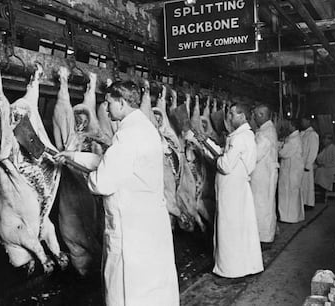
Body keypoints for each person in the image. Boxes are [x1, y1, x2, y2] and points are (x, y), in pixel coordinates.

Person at [55, 81, 179, 306]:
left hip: (130, 229)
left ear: (121, 103)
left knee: (125, 290)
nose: (105, 106)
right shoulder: (145, 128)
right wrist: (73, 157)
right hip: (147, 225)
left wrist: (87, 177)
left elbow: (102, 183)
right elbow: (114, 163)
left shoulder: (128, 136)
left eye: (109, 102)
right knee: (152, 289)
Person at [206, 103, 263, 279]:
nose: (228, 117)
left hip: (232, 191)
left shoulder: (240, 138)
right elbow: (225, 154)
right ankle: (242, 268)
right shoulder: (242, 136)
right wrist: (206, 142)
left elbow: (225, 164)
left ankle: (231, 272)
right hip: (235, 189)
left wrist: (214, 156)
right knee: (237, 230)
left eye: (232, 114)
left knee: (228, 231)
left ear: (242, 116)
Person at [250, 104, 279, 248]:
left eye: (255, 115)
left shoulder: (266, 133)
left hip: (263, 174)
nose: (254, 118)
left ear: (261, 115)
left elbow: (255, 154)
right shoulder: (266, 129)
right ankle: (265, 235)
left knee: (262, 206)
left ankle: (265, 239)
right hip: (264, 173)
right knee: (264, 205)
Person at [278, 119, 305, 223]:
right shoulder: (293, 138)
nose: (287, 126)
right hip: (293, 169)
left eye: (288, 124)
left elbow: (283, 153)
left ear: (293, 126)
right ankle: (295, 215)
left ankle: (289, 217)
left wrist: (278, 148)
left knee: (288, 193)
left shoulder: (294, 140)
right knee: (294, 193)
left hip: (291, 171)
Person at [299, 115, 319, 207]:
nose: (302, 123)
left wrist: (308, 164)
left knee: (307, 185)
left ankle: (309, 203)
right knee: (303, 185)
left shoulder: (312, 134)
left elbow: (313, 151)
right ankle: (303, 202)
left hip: (307, 164)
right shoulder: (304, 133)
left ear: (308, 121)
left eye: (304, 121)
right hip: (301, 163)